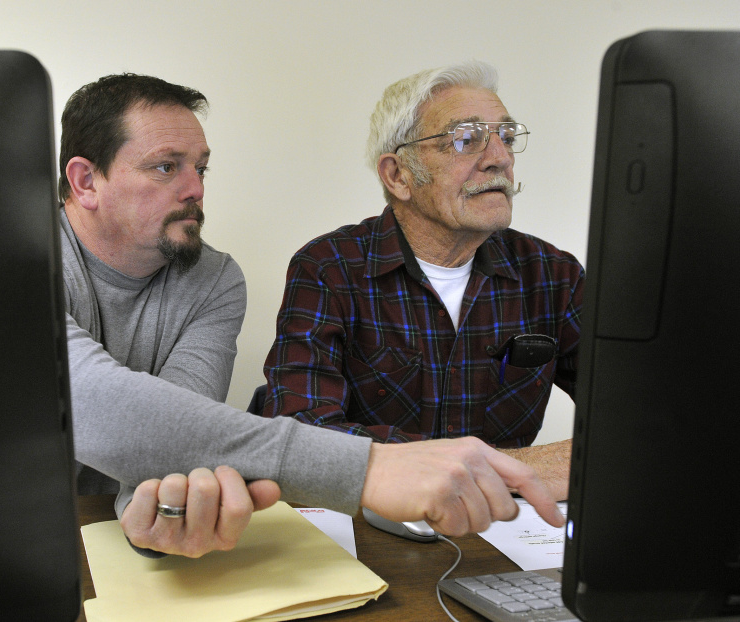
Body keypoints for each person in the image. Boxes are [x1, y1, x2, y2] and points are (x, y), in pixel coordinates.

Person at [60, 73, 565, 558]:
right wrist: (373, 470)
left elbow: (177, 433)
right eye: (166, 166)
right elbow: (89, 402)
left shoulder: (212, 279)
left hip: (114, 545)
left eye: (202, 168)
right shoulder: (1, 260)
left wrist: (155, 515)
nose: (196, 189)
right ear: (85, 182)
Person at [262, 61, 581, 502]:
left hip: (506, 533)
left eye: (506, 137)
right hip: (376, 528)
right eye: (466, 139)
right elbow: (303, 436)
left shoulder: (551, 273)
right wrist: (510, 469)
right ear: (398, 176)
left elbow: (638, 407)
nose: (500, 158)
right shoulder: (330, 267)